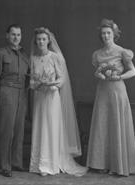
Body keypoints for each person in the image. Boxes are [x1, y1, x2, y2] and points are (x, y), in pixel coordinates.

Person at [29, 27, 88, 177]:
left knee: (51, 127)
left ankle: (51, 164)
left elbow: (62, 78)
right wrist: (37, 84)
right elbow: (31, 81)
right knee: (40, 127)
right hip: (39, 98)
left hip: (52, 96)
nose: (41, 41)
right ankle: (39, 164)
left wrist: (52, 84)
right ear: (35, 41)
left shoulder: (56, 57)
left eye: (44, 39)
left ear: (48, 41)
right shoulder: (33, 58)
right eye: (39, 39)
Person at [86, 19, 135, 176]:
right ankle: (102, 164)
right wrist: (98, 74)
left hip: (117, 91)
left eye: (108, 33)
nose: (105, 36)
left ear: (114, 34)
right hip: (102, 92)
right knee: (103, 126)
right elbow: (97, 72)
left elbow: (133, 71)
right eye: (103, 33)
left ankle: (117, 165)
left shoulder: (122, 52)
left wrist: (120, 77)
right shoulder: (97, 54)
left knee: (116, 125)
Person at [0, 24, 30, 177]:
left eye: (18, 34)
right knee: (7, 131)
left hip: (21, 93)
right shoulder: (1, 54)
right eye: (13, 34)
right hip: (6, 91)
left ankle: (17, 163)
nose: (16, 37)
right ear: (7, 36)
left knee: (19, 130)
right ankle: (6, 165)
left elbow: (28, 77)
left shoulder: (25, 55)